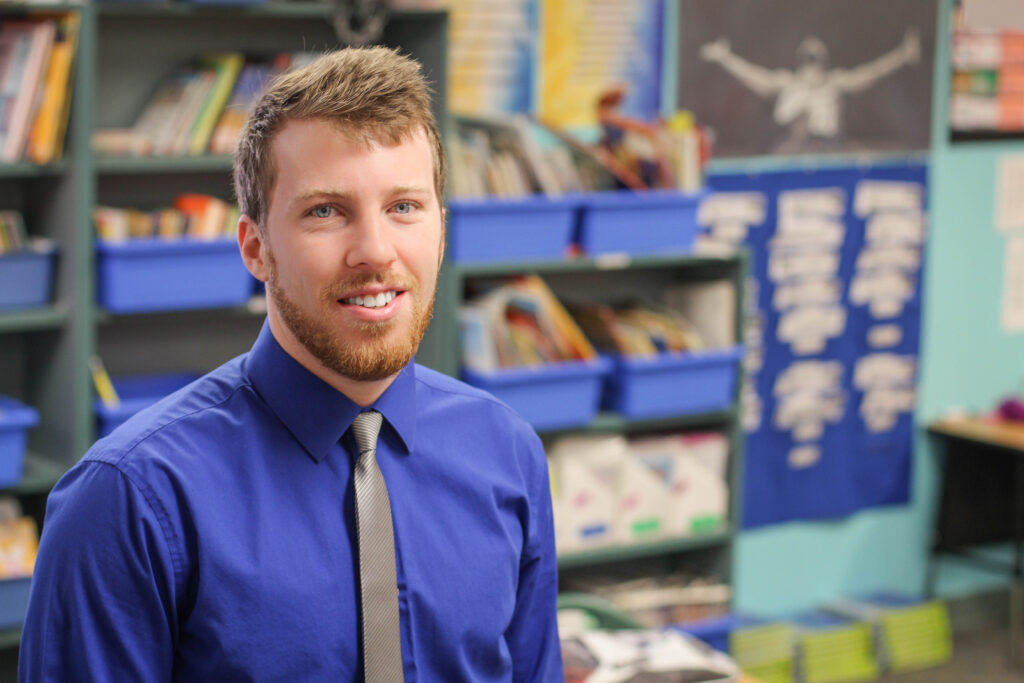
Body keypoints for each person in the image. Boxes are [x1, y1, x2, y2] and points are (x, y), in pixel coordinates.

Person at [20, 47, 563, 682]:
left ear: (441, 229)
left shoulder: (508, 454)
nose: (375, 252)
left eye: (404, 207)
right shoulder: (126, 499)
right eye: (325, 211)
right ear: (256, 248)